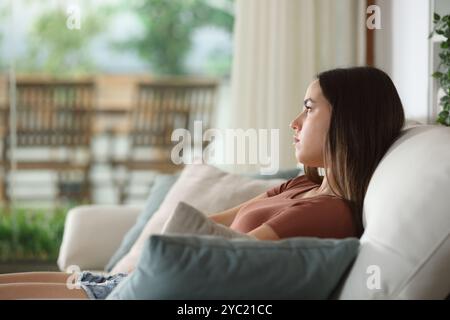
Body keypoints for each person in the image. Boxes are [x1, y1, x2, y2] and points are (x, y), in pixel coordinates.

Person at [0, 66, 405, 299]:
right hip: (122, 282)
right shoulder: (302, 187)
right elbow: (209, 222)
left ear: (348, 121)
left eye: (309, 107)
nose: (295, 122)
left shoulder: (327, 214)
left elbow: (224, 262)